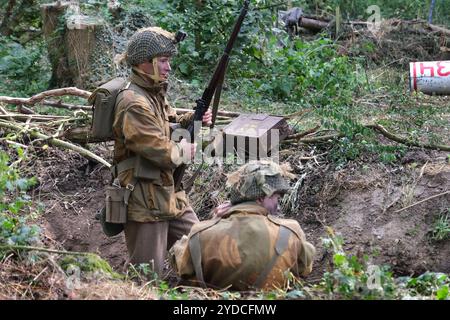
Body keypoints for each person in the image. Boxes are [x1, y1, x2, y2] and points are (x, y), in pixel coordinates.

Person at [111, 26, 212, 276]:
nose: (169, 68)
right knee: (146, 275)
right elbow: (156, 148)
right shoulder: (133, 102)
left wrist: (192, 118)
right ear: (145, 63)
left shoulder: (154, 92)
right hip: (143, 198)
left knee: (202, 249)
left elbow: (167, 121)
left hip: (168, 191)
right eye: (164, 61)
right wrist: (181, 151)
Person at [169, 160, 316, 291]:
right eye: (276, 197)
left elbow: (181, 265)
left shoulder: (201, 233)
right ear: (260, 198)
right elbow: (305, 268)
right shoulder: (290, 231)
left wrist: (214, 219)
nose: (278, 205)